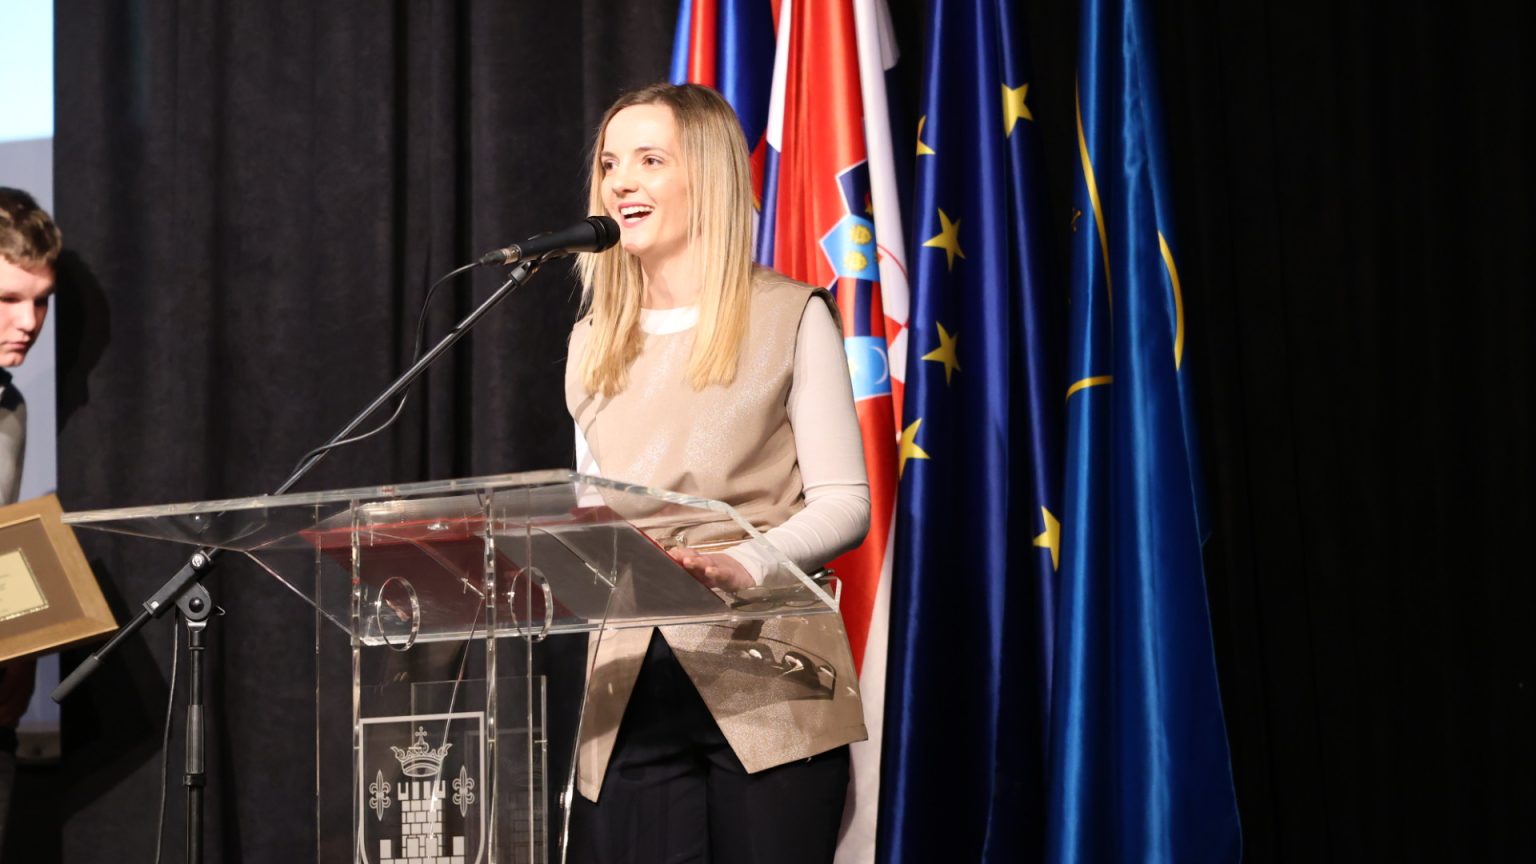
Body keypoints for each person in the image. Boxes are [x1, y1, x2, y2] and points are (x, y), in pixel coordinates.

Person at [563, 83, 870, 862]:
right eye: (610, 164)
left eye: (649, 160)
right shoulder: (593, 338)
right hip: (630, 682)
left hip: (767, 667)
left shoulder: (790, 314)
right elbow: (591, 511)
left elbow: (845, 502)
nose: (620, 182)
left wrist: (744, 562)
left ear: (708, 176)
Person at [0, 186, 60, 852]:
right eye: (7, 298)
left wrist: (20, 651)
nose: (29, 321)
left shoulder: (11, 406)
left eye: (41, 300)